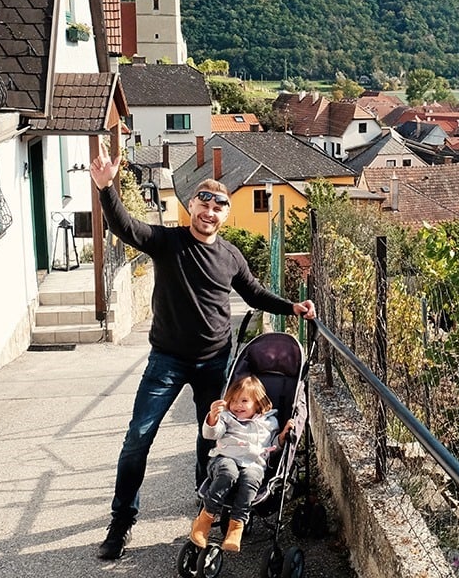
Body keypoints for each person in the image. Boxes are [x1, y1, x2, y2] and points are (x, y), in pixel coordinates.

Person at [90, 152, 315, 560]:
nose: (210, 210)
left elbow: (254, 293)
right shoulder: (166, 241)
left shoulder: (230, 256)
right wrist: (107, 188)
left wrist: (291, 307)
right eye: (204, 202)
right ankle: (121, 522)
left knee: (210, 441)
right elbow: (124, 226)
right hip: (167, 360)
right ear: (190, 206)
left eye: (218, 205)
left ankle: (204, 515)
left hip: (215, 361)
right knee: (137, 439)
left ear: (225, 214)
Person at [190, 375, 291, 552]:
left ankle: (236, 526)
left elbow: (272, 447)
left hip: (253, 463)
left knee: (251, 478)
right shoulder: (227, 417)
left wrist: (282, 437)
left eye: (244, 401)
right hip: (224, 458)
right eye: (234, 401)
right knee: (228, 471)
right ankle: (205, 518)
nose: (237, 405)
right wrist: (213, 417)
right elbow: (211, 433)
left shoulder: (269, 422)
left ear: (258, 403)